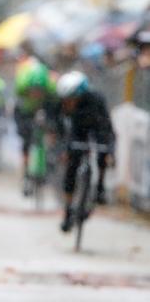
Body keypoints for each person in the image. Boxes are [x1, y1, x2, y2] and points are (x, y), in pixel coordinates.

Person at [55, 71, 115, 232]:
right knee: (71, 166)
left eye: (71, 99)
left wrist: (109, 151)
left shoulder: (96, 100)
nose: (68, 103)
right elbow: (60, 127)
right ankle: (68, 211)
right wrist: (63, 148)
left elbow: (107, 127)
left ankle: (100, 187)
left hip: (98, 128)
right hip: (77, 131)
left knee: (103, 154)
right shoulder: (63, 103)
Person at [13, 59, 58, 195]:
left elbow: (55, 115)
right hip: (26, 115)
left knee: (51, 136)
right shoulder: (22, 96)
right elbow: (18, 117)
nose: (36, 94)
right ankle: (26, 174)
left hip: (45, 112)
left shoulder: (50, 95)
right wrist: (22, 128)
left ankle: (48, 168)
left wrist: (52, 128)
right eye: (34, 91)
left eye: (40, 91)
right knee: (26, 141)